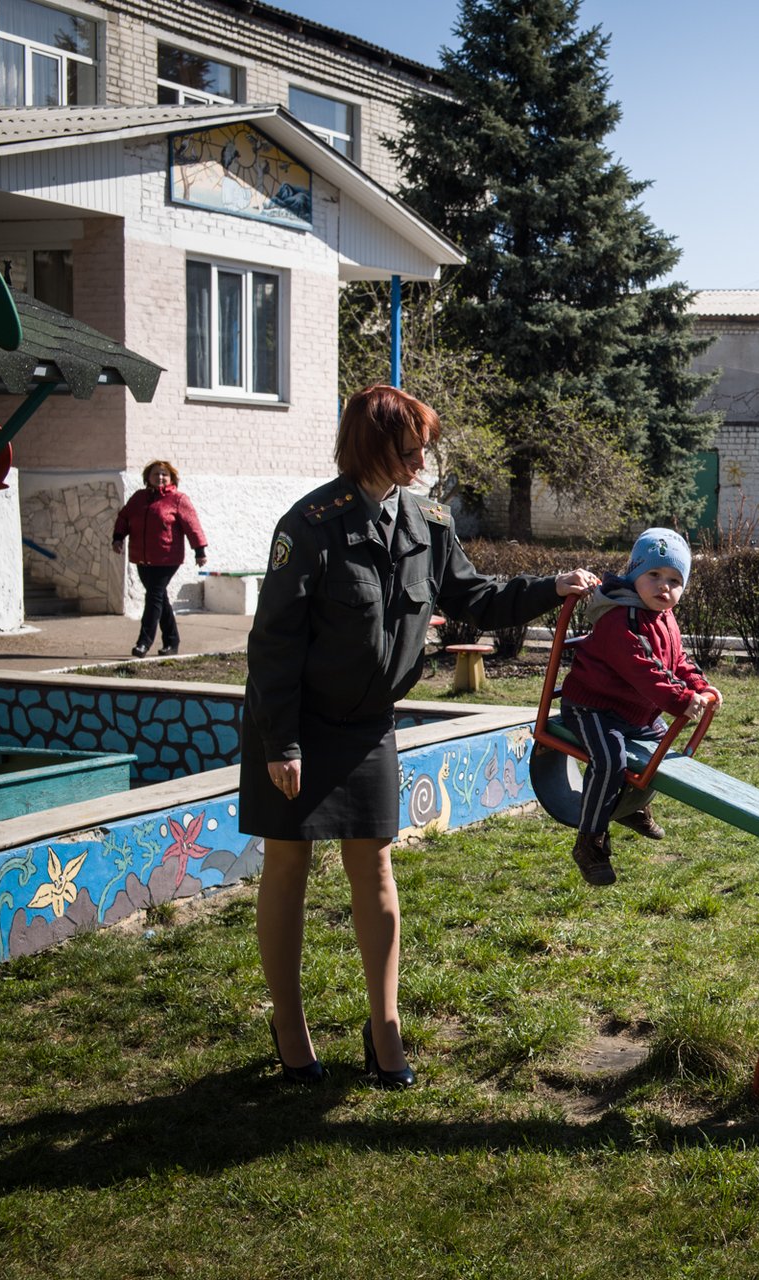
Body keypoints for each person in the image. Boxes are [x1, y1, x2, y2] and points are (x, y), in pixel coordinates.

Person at [243, 385, 599, 1088]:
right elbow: (274, 644)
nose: (422, 457)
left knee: (373, 867)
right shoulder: (310, 525)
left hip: (368, 724)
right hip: (298, 727)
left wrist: (550, 586)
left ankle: (385, 1031)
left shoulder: (428, 522)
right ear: (372, 446)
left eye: (423, 444)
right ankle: (291, 1029)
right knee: (287, 866)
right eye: (410, 446)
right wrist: (281, 742)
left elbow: (474, 599)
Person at [556, 528, 718, 884]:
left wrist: (699, 685)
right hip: (593, 706)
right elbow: (642, 669)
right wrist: (679, 698)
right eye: (654, 575)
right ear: (634, 574)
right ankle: (590, 840)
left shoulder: (663, 616)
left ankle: (631, 807)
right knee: (609, 760)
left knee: (663, 754)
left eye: (675, 580)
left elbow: (677, 659)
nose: (664, 586)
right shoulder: (619, 619)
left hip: (636, 713)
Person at [112, 460, 208, 658]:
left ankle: (143, 642)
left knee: (154, 597)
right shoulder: (139, 498)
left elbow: (192, 525)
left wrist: (199, 550)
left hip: (167, 558)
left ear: (171, 478)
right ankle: (172, 641)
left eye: (164, 474)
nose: (160, 477)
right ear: (148, 477)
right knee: (160, 598)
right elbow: (124, 518)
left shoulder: (178, 499)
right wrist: (118, 538)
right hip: (142, 557)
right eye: (156, 474)